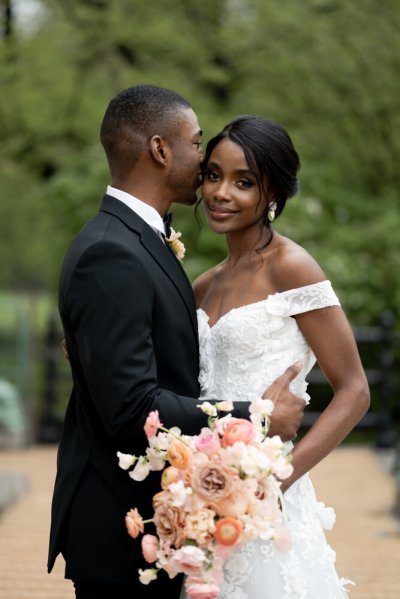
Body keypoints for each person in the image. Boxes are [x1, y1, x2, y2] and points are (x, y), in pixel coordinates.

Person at [47, 85, 306, 599]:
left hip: (165, 519)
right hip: (123, 528)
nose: (203, 157)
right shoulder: (111, 253)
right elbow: (133, 408)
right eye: (196, 143)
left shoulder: (139, 239)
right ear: (161, 150)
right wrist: (256, 415)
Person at [180, 114, 370, 599]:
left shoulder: (292, 267)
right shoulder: (204, 284)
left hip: (271, 495)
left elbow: (354, 391)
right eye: (214, 175)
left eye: (244, 182)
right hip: (207, 493)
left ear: (273, 196)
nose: (222, 192)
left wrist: (275, 482)